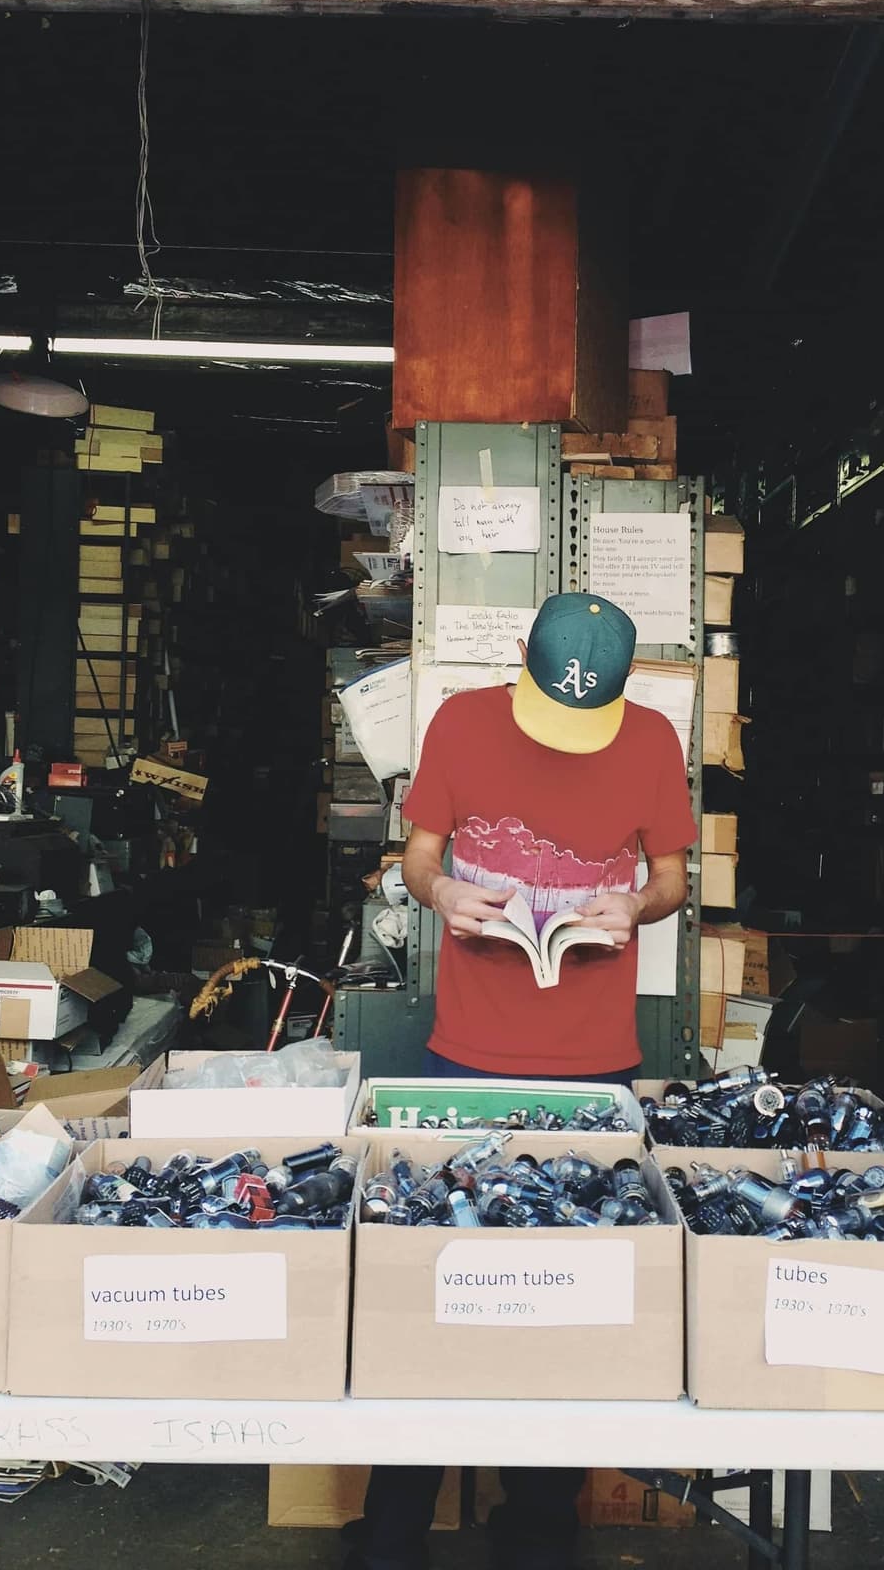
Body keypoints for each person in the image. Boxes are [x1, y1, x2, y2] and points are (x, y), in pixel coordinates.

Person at [344, 592, 697, 1570]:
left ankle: (539, 1528)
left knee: (567, 1301)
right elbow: (418, 859)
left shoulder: (653, 741)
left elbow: (670, 876)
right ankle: (393, 1532)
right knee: (434, 1292)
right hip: (466, 1049)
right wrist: (448, 890)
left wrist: (633, 903)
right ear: (518, 660)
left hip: (598, 1064)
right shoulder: (463, 721)